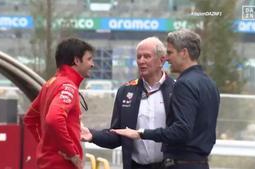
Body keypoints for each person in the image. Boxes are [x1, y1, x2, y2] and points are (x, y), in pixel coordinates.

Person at [112, 29, 220, 169]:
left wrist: (141, 133)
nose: (167, 59)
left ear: (184, 53)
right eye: (139, 57)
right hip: (201, 163)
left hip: (182, 163)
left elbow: (181, 130)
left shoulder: (183, 84)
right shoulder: (210, 83)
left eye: (170, 53)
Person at [82, 37, 175, 169]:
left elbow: (182, 132)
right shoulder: (125, 91)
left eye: (147, 56)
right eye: (139, 57)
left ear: (161, 60)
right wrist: (93, 135)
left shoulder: (177, 90)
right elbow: (117, 135)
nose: (141, 61)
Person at [24, 38, 94, 169]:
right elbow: (54, 119)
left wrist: (46, 146)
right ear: (77, 61)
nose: (92, 64)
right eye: (89, 59)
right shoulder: (68, 86)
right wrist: (72, 153)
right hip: (62, 165)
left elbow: (30, 118)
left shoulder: (50, 84)